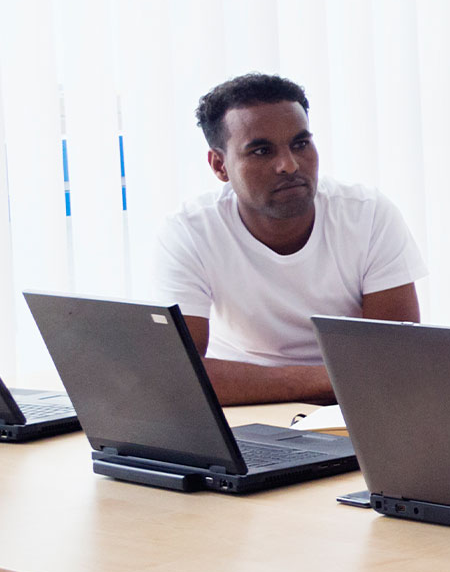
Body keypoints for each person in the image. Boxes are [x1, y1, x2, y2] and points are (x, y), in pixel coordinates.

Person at [151, 73, 424, 405]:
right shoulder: (189, 232)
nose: (289, 165)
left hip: (348, 408)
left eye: (301, 143)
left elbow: (395, 362)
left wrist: (314, 383)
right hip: (249, 413)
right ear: (220, 165)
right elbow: (180, 376)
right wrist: (329, 378)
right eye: (262, 151)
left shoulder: (367, 215)